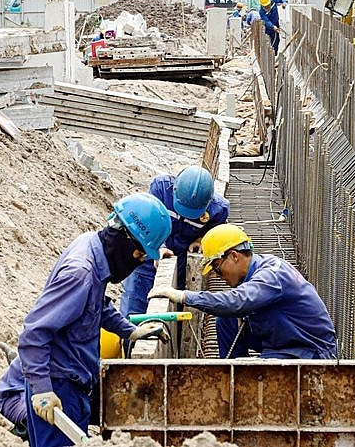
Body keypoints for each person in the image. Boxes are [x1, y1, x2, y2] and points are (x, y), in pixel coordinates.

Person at [18, 193, 172, 447]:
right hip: (58, 388)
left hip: (75, 384)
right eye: (140, 255)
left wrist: (129, 331)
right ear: (128, 243)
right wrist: (42, 390)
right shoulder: (81, 273)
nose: (139, 261)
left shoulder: (92, 245)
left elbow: (96, 306)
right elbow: (34, 333)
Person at [148, 224, 338, 359]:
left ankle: (245, 376)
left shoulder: (272, 275)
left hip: (310, 350)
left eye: (216, 267)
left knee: (260, 381)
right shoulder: (259, 269)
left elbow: (237, 302)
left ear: (233, 256)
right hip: (284, 337)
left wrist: (184, 296)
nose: (218, 275)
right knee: (226, 319)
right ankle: (232, 372)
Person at [120, 166, 229, 319]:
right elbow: (147, 223)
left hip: (181, 263)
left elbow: (215, 230)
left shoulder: (218, 209)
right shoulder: (161, 189)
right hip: (147, 256)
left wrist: (201, 239)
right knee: (134, 309)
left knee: (172, 308)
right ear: (174, 189)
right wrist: (160, 247)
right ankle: (129, 340)